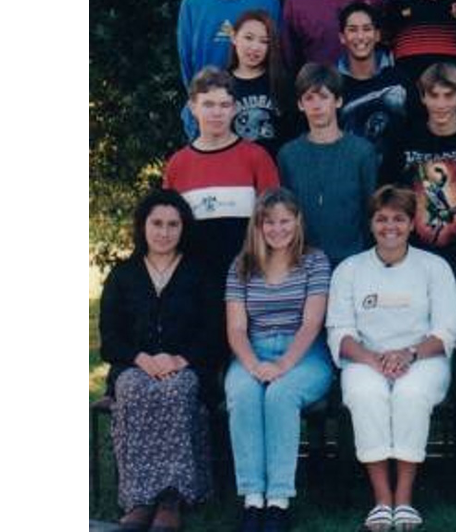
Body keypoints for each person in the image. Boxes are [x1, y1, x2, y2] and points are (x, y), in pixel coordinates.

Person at [326, 186, 456, 532]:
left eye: (399, 219)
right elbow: (339, 329)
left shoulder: (434, 267)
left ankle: (404, 499)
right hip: (364, 358)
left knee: (410, 395)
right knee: (366, 395)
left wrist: (410, 354)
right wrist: (373, 359)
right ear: (371, 224)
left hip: (422, 359)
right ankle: (381, 500)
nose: (390, 226)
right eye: (382, 219)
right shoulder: (350, 269)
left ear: (412, 223)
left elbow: (448, 326)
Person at [99, 189, 217, 532]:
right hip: (134, 366)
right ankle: (140, 498)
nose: (164, 232)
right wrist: (140, 359)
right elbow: (109, 337)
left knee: (176, 392)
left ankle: (171, 497)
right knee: (135, 391)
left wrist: (181, 359)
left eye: (172, 224)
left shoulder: (200, 273)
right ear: (143, 226)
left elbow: (213, 332)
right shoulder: (123, 274)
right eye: (157, 223)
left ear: (183, 228)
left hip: (187, 366)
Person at [224, 188, 334, 532]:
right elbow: (237, 327)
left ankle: (279, 501)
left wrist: (283, 366)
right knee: (242, 394)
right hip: (252, 350)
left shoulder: (315, 261)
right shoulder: (242, 265)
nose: (277, 229)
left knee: (281, 394)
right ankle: (253, 498)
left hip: (304, 353)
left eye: (285, 220)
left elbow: (312, 322)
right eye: (269, 222)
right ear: (258, 225)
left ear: (297, 221)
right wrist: (254, 365)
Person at [163, 67, 279, 291]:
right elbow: (170, 229)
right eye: (208, 104)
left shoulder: (257, 157)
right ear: (192, 107)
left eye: (224, 105)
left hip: (249, 280)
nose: (217, 112)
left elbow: (274, 222)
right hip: (195, 286)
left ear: (234, 109)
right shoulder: (178, 164)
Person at [380, 62, 456, 278]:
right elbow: (389, 195)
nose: (441, 104)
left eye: (448, 96)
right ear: (423, 97)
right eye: (434, 95)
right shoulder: (405, 139)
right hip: (416, 256)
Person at [177, 0, 281, 140]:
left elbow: (276, 54)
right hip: (209, 111)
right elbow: (187, 61)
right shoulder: (193, 2)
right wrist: (197, 104)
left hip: (256, 106)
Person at [277, 63, 378, 268]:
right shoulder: (288, 155)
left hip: (354, 263)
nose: (316, 106)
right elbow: (285, 214)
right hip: (303, 264)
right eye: (309, 98)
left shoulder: (362, 152)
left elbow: (372, 210)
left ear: (338, 100)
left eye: (324, 97)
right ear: (300, 104)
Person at [335, 1, 414, 154]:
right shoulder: (332, 85)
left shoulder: (400, 81)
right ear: (342, 37)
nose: (360, 37)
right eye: (352, 30)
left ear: (377, 35)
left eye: (367, 29)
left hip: (394, 175)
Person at [227, 10, 297, 158]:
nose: (255, 47)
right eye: (248, 38)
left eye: (264, 41)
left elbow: (293, 134)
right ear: (233, 37)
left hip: (274, 171)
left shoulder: (283, 81)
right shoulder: (221, 83)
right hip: (234, 171)